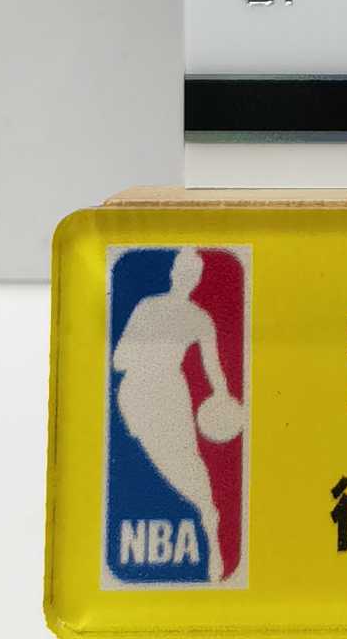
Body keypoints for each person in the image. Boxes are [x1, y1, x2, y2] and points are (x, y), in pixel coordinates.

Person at [112, 249, 238, 582]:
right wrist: (148, 355)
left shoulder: (199, 319)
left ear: (195, 279)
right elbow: (119, 359)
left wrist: (223, 396)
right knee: (155, 461)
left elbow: (213, 367)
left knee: (187, 461)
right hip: (138, 393)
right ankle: (203, 514)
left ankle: (210, 527)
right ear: (175, 273)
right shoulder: (148, 307)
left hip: (169, 392)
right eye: (184, 271)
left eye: (191, 273)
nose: (186, 277)